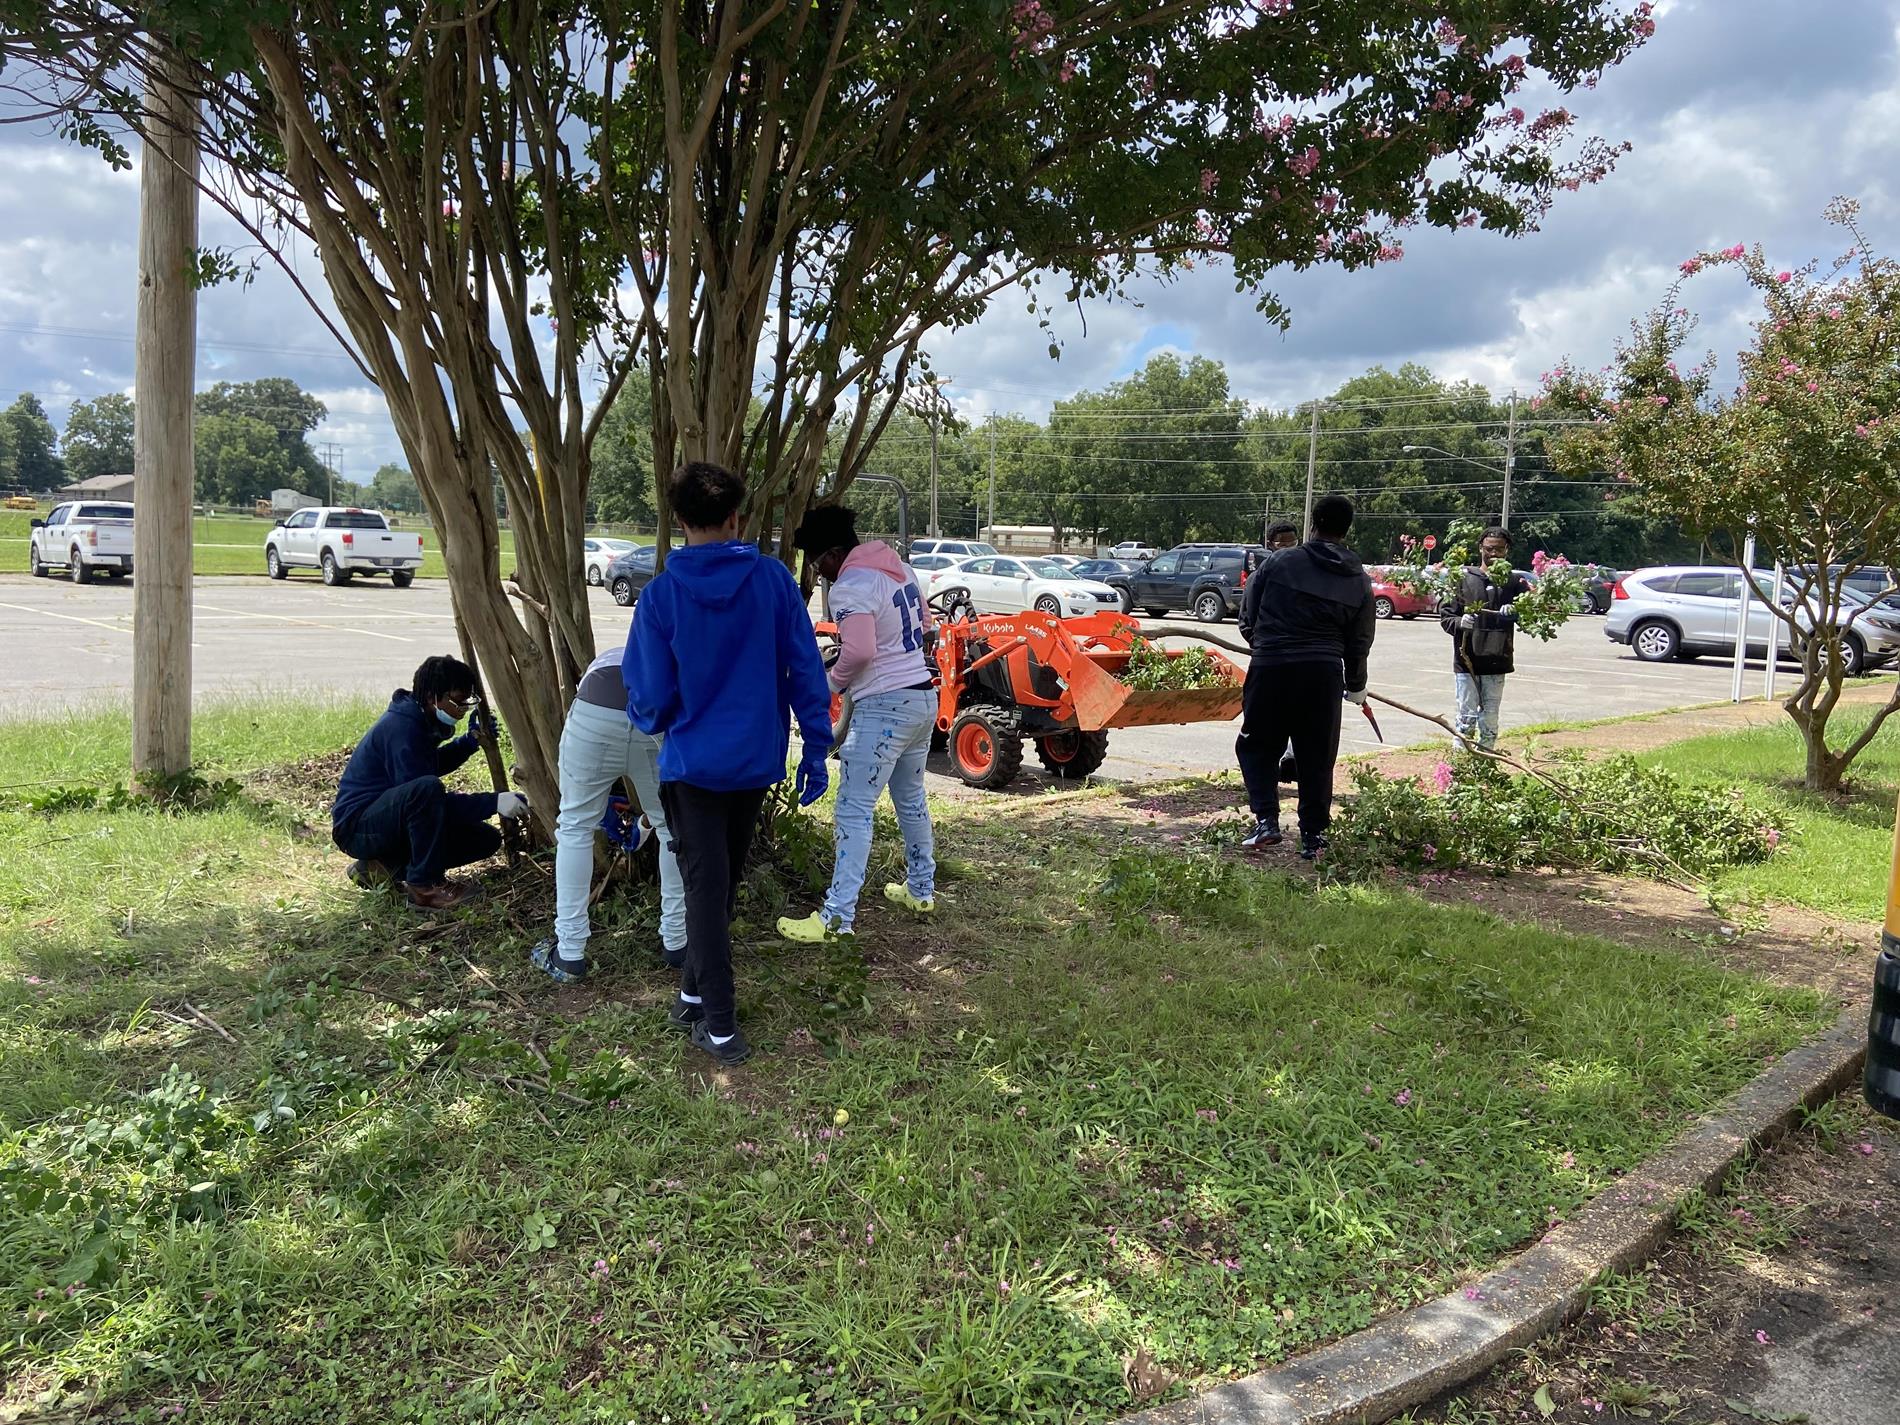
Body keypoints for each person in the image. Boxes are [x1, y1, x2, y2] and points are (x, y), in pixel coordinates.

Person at [623, 461, 833, 1066]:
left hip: (692, 768)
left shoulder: (661, 596)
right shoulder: (772, 582)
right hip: (753, 765)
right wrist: (815, 747)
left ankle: (717, 1025)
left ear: (680, 521)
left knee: (707, 893)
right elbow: (805, 669)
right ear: (737, 518)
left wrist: (652, 715)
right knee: (718, 887)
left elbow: (653, 701)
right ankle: (693, 993)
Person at [778, 506, 937, 944]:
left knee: (853, 809)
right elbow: (925, 625)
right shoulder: (901, 569)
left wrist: (832, 683)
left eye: (817, 561)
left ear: (832, 553)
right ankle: (921, 889)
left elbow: (861, 650)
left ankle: (837, 917)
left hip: (883, 708)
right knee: (910, 799)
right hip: (922, 695)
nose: (818, 571)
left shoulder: (851, 585)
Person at [526, 647, 688, 985]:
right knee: (672, 829)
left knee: (575, 828)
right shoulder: (662, 656)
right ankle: (677, 942)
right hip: (654, 715)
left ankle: (569, 953)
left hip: (593, 715)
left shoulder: (604, 660)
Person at [1233, 495, 1376, 860]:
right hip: (1323, 673)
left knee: (1258, 745)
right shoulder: (1358, 580)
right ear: (1346, 529)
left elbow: (1248, 614)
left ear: (1312, 523)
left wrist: (1265, 646)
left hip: (1273, 666)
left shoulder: (1280, 562)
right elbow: (1359, 642)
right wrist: (1356, 685)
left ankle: (1266, 821)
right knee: (1317, 754)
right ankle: (1313, 837)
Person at [331, 654, 530, 909]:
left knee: (485, 839)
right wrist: (494, 802)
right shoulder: (402, 729)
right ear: (433, 697)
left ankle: (380, 868)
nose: (462, 710)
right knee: (427, 790)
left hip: (385, 819)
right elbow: (425, 797)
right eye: (458, 702)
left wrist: (468, 743)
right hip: (357, 828)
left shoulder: (418, 719)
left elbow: (426, 767)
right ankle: (424, 886)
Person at [1439, 526, 1531, 750]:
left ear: (1507, 550)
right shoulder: (1462, 579)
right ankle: (1460, 769)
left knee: (1490, 721)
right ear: (1480, 548)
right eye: (1489, 549)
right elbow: (1446, 617)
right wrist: (1461, 623)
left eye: (1499, 549)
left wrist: (1518, 611)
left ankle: (1485, 766)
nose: (1494, 554)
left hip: (1497, 661)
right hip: (1466, 661)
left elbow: (1529, 618)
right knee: (1465, 719)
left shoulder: (1514, 583)